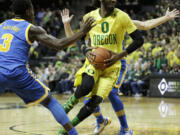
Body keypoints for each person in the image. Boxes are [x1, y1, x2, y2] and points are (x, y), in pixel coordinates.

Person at [60, 6, 179, 135]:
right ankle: (101, 121)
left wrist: (165, 17)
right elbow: (71, 42)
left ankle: (125, 129)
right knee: (88, 96)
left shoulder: (119, 19)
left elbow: (145, 25)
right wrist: (66, 24)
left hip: (116, 62)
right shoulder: (89, 30)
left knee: (111, 92)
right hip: (96, 65)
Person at [0, 0, 95, 135]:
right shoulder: (31, 28)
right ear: (28, 11)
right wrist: (82, 31)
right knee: (50, 101)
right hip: (17, 73)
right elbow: (58, 44)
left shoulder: (2, 25)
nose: (33, 14)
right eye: (32, 10)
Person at [58, 0, 145, 134]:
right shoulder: (89, 17)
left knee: (97, 100)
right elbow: (81, 40)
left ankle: (69, 127)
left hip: (113, 64)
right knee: (86, 88)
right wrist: (85, 50)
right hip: (95, 62)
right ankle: (71, 107)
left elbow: (140, 37)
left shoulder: (122, 17)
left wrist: (119, 55)